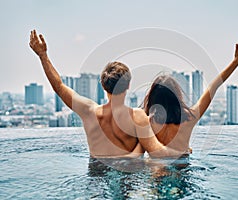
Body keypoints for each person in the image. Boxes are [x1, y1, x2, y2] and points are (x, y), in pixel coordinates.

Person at [29, 30, 182, 158]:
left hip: (96, 179)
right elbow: (157, 153)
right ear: (128, 84)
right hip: (126, 182)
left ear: (102, 85)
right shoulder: (137, 117)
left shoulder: (89, 112)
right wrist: (182, 151)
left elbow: (59, 87)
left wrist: (43, 55)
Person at [142, 37, 238, 153]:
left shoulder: (147, 122)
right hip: (183, 167)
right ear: (176, 96)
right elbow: (214, 86)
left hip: (156, 166)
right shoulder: (190, 117)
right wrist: (236, 62)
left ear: (152, 98)